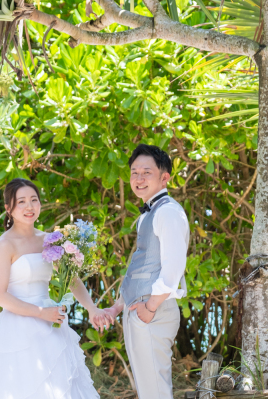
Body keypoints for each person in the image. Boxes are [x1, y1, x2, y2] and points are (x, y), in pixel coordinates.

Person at [0, 177, 109, 399]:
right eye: (21, 201)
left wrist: (92, 308)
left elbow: (71, 279)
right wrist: (41, 313)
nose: (29, 206)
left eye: (34, 200)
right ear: (9, 208)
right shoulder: (4, 245)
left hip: (52, 323)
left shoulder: (49, 240)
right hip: (18, 325)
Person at [100, 144, 190, 399]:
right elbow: (142, 269)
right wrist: (117, 308)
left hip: (153, 312)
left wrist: (149, 309)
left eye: (146, 172)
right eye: (134, 172)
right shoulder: (149, 214)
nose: (138, 179)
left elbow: (173, 270)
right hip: (142, 312)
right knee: (148, 390)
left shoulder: (168, 212)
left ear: (164, 177)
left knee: (155, 392)